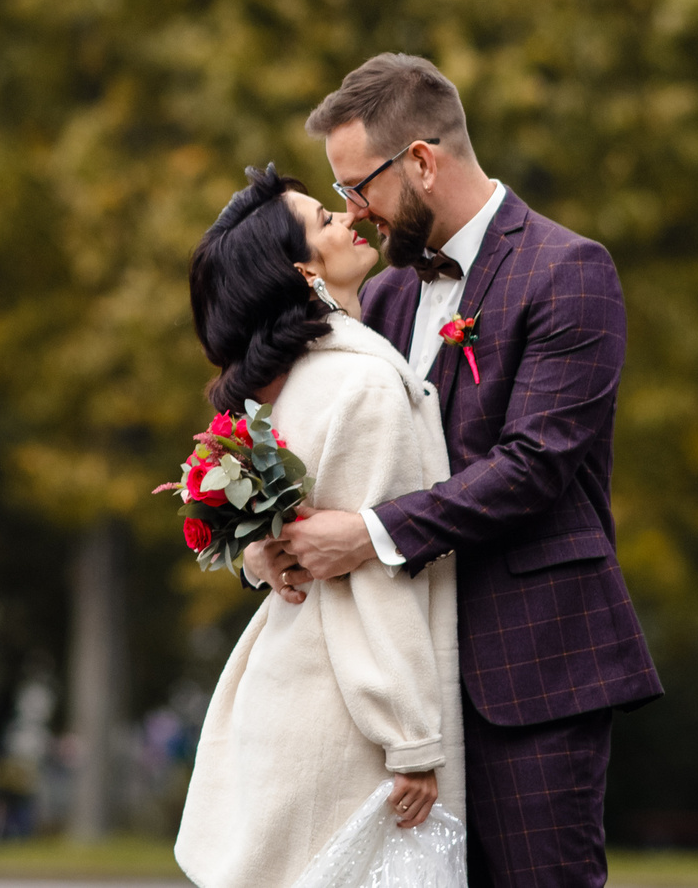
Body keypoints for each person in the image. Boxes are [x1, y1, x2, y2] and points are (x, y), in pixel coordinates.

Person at [253, 54, 660, 888]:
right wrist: (277, 542)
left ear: (423, 162)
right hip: (410, 686)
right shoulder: (393, 294)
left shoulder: (570, 271)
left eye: (360, 186)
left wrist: (367, 535)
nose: (354, 213)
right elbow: (356, 450)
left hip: (533, 670)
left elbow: (533, 465)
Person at [174, 166, 462, 888]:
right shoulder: (363, 383)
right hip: (345, 716)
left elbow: (275, 544)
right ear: (305, 269)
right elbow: (379, 575)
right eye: (322, 219)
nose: (346, 216)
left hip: (293, 691)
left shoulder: (291, 387)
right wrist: (411, 738)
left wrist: (260, 559)